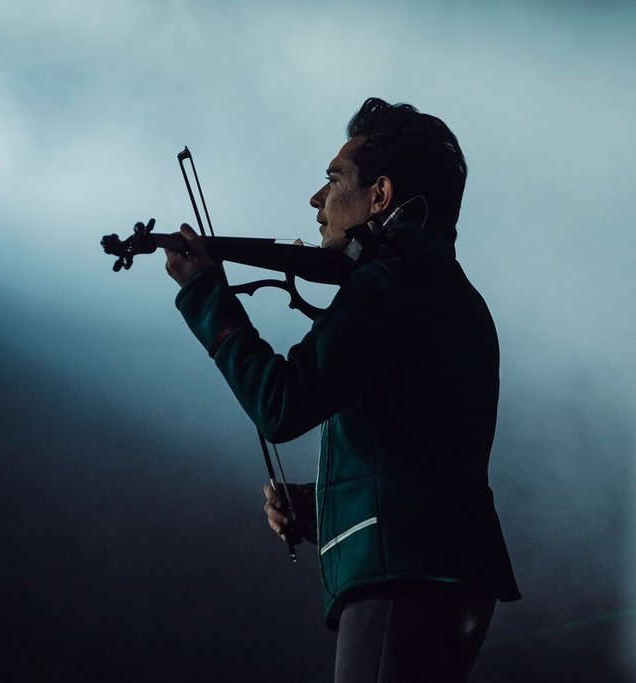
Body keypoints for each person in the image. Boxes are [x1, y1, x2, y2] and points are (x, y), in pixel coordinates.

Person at [164, 97, 520, 682]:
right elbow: (421, 456)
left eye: (334, 180)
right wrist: (324, 505)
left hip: (402, 571)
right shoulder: (452, 294)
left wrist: (207, 297)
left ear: (380, 195)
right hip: (448, 571)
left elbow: (280, 406)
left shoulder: (388, 287)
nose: (317, 199)